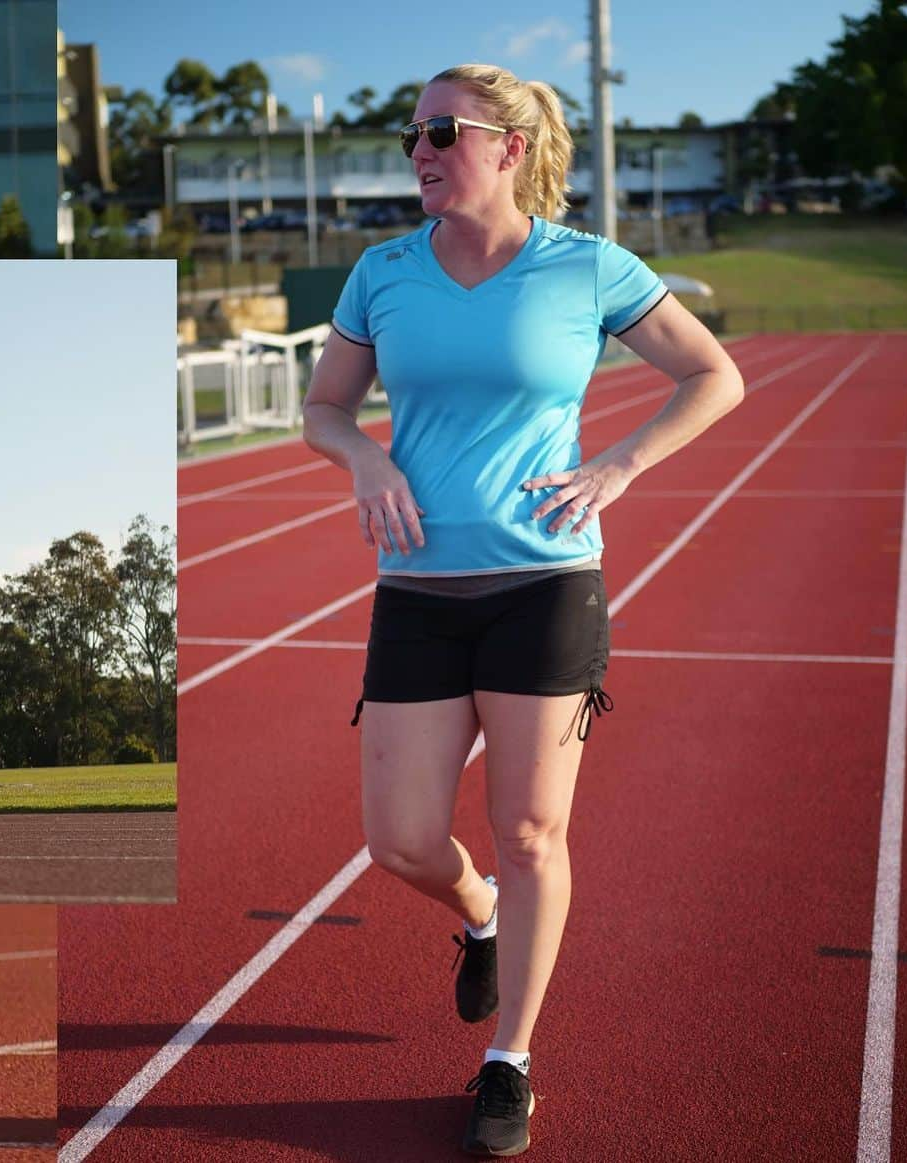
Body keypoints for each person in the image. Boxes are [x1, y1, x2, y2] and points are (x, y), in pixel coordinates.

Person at [302, 63, 744, 1157]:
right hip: (418, 586)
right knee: (401, 841)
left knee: (534, 827)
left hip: (547, 579)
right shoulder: (382, 272)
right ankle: (482, 913)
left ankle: (511, 1058)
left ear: (508, 144)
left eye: (442, 132)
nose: (421, 152)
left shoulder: (587, 266)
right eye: (411, 136)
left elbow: (714, 375)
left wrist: (624, 465)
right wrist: (359, 454)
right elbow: (323, 407)